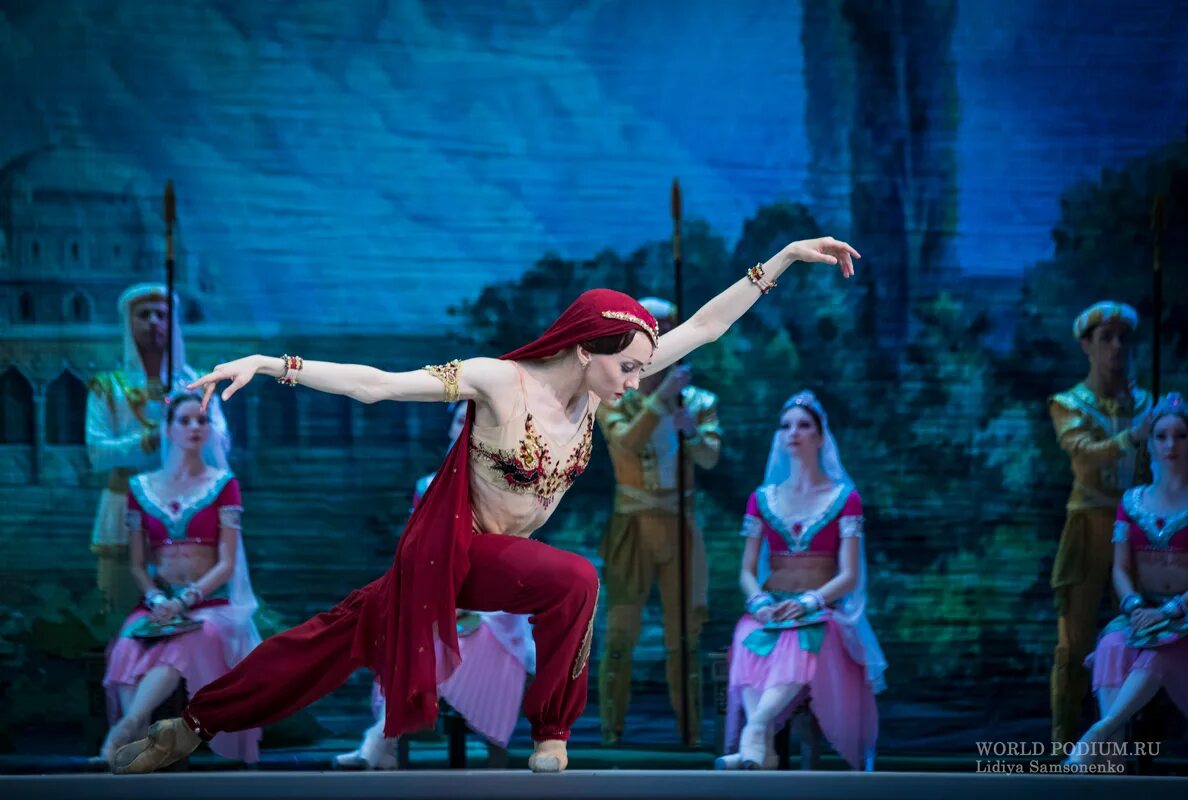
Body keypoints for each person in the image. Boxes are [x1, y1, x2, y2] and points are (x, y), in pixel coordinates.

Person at [111, 237, 860, 775]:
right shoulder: (500, 381)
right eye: (629, 368)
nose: (637, 380)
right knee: (327, 643)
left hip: (495, 562)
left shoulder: (608, 375)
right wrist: (272, 364)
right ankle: (193, 725)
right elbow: (377, 385)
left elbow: (703, 327)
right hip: (448, 550)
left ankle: (551, 732)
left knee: (557, 586)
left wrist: (786, 258)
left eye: (642, 367)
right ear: (586, 349)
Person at [335, 401, 535, 769]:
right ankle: (386, 737)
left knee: (459, 638)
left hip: (493, 605)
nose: (467, 426)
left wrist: (468, 598)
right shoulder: (428, 486)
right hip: (440, 595)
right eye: (461, 419)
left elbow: (511, 552)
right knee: (409, 631)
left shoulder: (510, 483)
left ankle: (381, 740)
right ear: (450, 427)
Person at [717, 391, 885, 771]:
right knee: (747, 634)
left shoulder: (844, 499)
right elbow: (746, 571)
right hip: (772, 607)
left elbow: (849, 575)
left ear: (821, 436)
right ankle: (762, 747)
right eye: (785, 426)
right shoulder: (762, 499)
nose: (793, 432)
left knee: (799, 640)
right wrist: (760, 603)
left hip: (820, 614)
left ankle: (754, 734)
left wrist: (809, 602)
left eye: (804, 425)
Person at [97, 391, 260, 766]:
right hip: (158, 602)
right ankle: (137, 739)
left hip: (206, 605)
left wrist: (185, 600)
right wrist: (157, 599)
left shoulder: (223, 484)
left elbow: (227, 562)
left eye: (202, 420)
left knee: (188, 640)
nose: (194, 428)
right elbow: (137, 564)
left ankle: (128, 727)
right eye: (185, 421)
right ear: (168, 429)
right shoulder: (140, 488)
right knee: (127, 643)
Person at [596, 297, 721, 746]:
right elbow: (626, 444)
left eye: (668, 329)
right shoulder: (612, 397)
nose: (661, 338)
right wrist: (661, 399)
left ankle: (691, 735)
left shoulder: (698, 400)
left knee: (685, 636)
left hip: (680, 526)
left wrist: (689, 428)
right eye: (653, 330)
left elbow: (709, 457)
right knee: (620, 633)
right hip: (632, 526)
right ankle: (610, 736)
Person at [1068, 393, 1188, 764]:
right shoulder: (1131, 502)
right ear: (1150, 442)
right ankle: (1113, 762)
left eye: (1180, 436)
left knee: (1163, 645)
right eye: (1161, 436)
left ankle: (1101, 730)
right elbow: (1120, 568)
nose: (1171, 445)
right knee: (1112, 643)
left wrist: (1172, 609)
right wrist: (1135, 606)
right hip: (1143, 612)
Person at [87, 283, 230, 612]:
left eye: (161, 315)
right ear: (129, 322)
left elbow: (222, 441)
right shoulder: (108, 388)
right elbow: (97, 453)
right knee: (121, 609)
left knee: (191, 613)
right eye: (144, 315)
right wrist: (149, 440)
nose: (153, 322)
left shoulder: (199, 385)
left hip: (187, 503)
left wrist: (185, 428)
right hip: (126, 505)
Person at [1048, 301, 1152, 744]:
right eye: (1106, 338)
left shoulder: (1145, 404)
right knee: (1074, 643)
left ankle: (1133, 745)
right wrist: (1131, 437)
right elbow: (1084, 454)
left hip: (1141, 529)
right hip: (1090, 526)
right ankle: (1064, 744)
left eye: (1123, 338)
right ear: (1086, 345)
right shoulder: (1070, 404)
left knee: (1143, 637)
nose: (1117, 347)